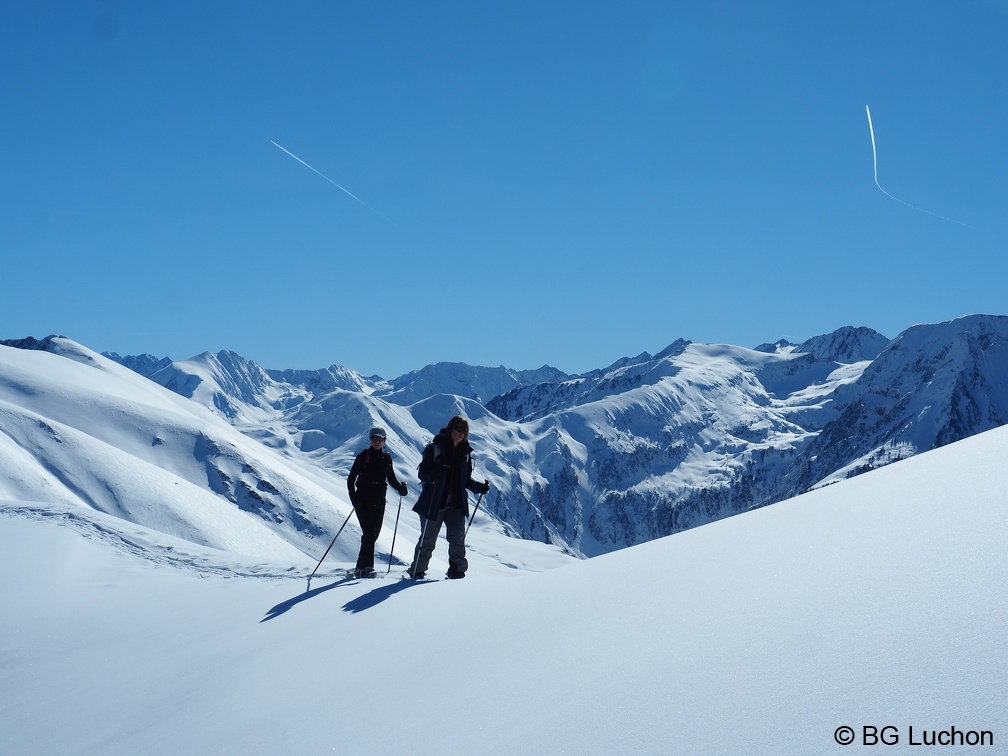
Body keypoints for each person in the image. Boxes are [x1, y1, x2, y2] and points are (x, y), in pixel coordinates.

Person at [407, 415, 490, 580]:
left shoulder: (465, 454)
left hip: (456, 504)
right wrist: (433, 474)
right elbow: (422, 473)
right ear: (450, 428)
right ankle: (417, 571)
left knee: (457, 539)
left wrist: (479, 487)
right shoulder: (435, 449)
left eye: (464, 431)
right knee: (428, 540)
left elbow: (465, 480)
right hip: (434, 503)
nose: (461, 433)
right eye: (458, 429)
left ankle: (457, 571)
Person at [346, 426, 408, 578]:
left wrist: (400, 487)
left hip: (379, 500)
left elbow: (391, 479)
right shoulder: (363, 457)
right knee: (369, 533)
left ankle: (360, 567)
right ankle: (368, 567)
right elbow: (351, 479)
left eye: (380, 438)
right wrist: (354, 499)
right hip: (363, 500)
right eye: (374, 438)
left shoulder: (386, 458)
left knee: (373, 535)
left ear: (384, 440)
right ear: (370, 439)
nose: (377, 441)